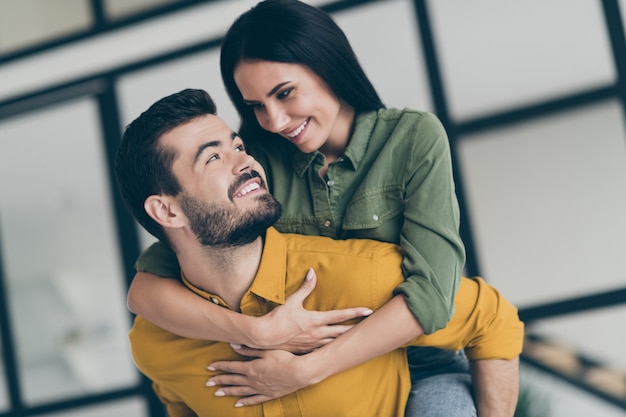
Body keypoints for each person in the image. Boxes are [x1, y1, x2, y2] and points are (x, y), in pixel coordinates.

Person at [126, 1, 520, 416]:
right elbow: (149, 287)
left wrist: (308, 370)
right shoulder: (257, 162)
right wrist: (258, 332)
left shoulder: (413, 137)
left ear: (326, 64)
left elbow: (433, 299)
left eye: (284, 93)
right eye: (257, 106)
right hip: (305, 354)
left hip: (421, 356)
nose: (275, 120)